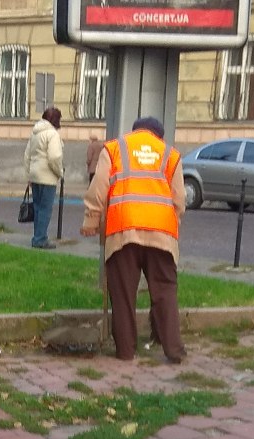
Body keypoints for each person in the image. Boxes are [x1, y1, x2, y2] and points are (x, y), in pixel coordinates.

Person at [80, 116, 187, 363]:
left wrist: (91, 220)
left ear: (135, 131)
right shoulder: (170, 155)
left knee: (123, 292)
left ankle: (126, 351)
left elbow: (99, 187)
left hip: (123, 230)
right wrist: (172, 223)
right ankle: (174, 350)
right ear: (158, 136)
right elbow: (179, 199)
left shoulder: (116, 148)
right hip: (161, 233)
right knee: (165, 292)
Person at [24, 107, 64, 249]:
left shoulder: (35, 132)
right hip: (47, 176)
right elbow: (55, 156)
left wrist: (28, 174)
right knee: (46, 209)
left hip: (34, 174)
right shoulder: (52, 134)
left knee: (37, 207)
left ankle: (37, 236)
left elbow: (27, 155)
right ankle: (40, 239)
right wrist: (59, 172)